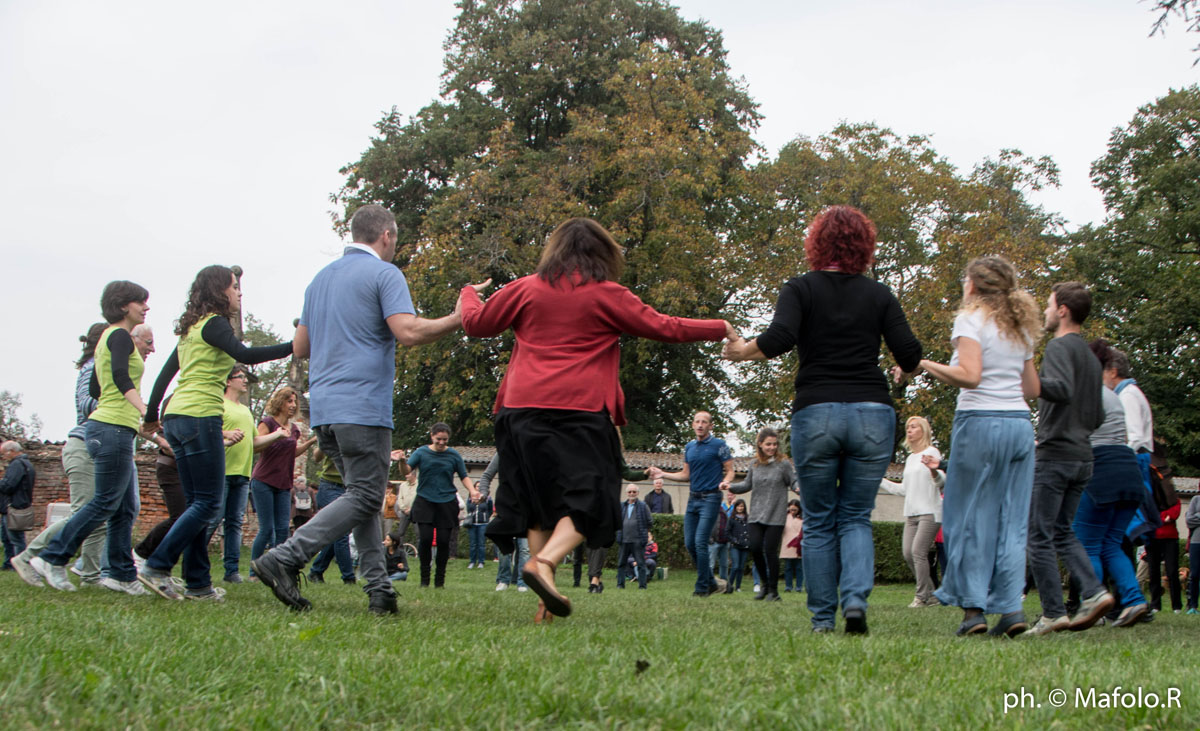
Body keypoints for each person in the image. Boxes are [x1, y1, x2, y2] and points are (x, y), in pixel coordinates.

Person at [459, 217, 729, 623]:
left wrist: (467, 292)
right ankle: (544, 564)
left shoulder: (524, 288)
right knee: (595, 498)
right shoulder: (607, 294)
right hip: (579, 410)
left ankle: (543, 600)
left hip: (519, 410)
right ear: (603, 255)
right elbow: (664, 327)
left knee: (536, 503)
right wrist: (720, 327)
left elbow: (475, 323)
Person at [254, 204, 482, 615]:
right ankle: (285, 557)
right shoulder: (384, 274)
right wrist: (458, 317)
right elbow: (409, 331)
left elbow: (301, 347)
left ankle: (380, 591)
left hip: (323, 410)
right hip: (362, 408)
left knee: (360, 497)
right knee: (364, 495)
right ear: (387, 236)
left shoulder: (319, 280)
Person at [724, 205, 922, 634]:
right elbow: (909, 354)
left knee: (818, 518)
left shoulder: (800, 288)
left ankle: (821, 620)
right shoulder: (881, 294)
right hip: (873, 413)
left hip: (817, 412)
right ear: (864, 246)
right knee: (854, 516)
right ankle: (854, 603)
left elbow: (778, 339)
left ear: (817, 243)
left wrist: (741, 351)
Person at [139, 266, 295, 602]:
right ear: (219, 290)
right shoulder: (214, 323)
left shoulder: (192, 328)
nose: (239, 293)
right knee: (209, 503)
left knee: (198, 503)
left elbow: (166, 374)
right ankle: (156, 564)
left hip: (178, 417)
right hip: (200, 416)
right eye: (234, 287)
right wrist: (293, 346)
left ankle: (198, 584)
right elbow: (246, 355)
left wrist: (153, 416)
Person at [917, 257, 1040, 636]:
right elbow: (1033, 390)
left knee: (967, 518)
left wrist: (922, 363)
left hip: (980, 423)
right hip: (1020, 426)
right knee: (1011, 521)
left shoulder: (971, 319)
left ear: (972, 284)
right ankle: (1012, 610)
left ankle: (973, 612)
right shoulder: (1020, 326)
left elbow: (969, 376)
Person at [32, 281, 152, 594]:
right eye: (141, 302)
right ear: (124, 305)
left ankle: (121, 576)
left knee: (125, 509)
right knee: (105, 502)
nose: (146, 307)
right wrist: (146, 410)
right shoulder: (119, 336)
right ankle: (51, 556)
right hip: (111, 427)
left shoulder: (107, 339)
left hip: (115, 427)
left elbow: (99, 388)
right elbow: (120, 377)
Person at [1024, 282, 1112, 634]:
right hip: (1082, 457)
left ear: (1062, 310)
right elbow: (1100, 415)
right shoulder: (1092, 359)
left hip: (1055, 454)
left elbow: (1059, 389)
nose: (1045, 312)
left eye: (1048, 306)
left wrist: (1034, 382)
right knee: (1062, 531)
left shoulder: (1060, 346)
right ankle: (1093, 592)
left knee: (1039, 535)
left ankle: (1052, 613)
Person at [12, 324, 107, 588]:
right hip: (84, 445)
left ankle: (90, 576)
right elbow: (86, 403)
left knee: (100, 515)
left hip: (99, 447)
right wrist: (118, 400)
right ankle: (29, 556)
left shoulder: (103, 368)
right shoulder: (93, 368)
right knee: (83, 512)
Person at [1068, 339, 1152, 627]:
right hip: (1128, 471)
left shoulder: (1084, 394)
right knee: (1111, 544)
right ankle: (1134, 600)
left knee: (1085, 544)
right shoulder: (1116, 395)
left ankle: (1092, 605)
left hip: (1100, 468)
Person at [651, 411, 735, 599]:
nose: (700, 425)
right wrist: (662, 474)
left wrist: (725, 482)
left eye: (704, 422)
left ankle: (701, 587)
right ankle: (712, 582)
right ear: (692, 425)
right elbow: (685, 475)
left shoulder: (719, 445)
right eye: (697, 421)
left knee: (700, 542)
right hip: (693, 499)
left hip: (711, 498)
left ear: (710, 426)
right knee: (690, 544)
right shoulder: (689, 447)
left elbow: (730, 470)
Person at [725, 427, 798, 601]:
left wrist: (797, 487)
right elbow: (746, 484)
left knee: (770, 551)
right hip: (757, 513)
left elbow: (793, 480)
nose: (772, 447)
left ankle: (774, 590)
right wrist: (730, 487)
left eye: (774, 444)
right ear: (760, 444)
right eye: (768, 444)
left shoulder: (783, 464)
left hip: (775, 514)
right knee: (755, 547)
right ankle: (764, 585)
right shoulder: (754, 464)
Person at [249, 387, 318, 572]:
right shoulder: (268, 423)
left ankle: (277, 568)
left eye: (294, 402)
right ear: (280, 402)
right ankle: (254, 570)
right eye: (289, 401)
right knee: (266, 529)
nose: (293, 405)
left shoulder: (294, 430)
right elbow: (255, 445)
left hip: (284, 484)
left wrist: (309, 443)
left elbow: (292, 452)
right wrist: (276, 435)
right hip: (263, 480)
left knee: (282, 529)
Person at [878, 416, 944, 609]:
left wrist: (933, 472)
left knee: (918, 552)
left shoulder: (932, 452)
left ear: (923, 430)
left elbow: (941, 482)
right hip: (912, 512)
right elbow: (903, 489)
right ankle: (932, 595)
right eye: (908, 427)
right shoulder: (910, 458)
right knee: (908, 553)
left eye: (914, 427)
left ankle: (921, 596)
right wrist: (879, 480)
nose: (909, 430)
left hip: (930, 512)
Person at [212, 364, 269, 583]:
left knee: (235, 523)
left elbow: (254, 442)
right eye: (240, 377)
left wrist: (277, 436)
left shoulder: (246, 410)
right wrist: (225, 432)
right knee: (212, 520)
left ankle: (231, 572)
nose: (245, 381)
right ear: (228, 381)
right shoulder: (219, 405)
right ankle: (193, 565)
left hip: (243, 474)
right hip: (222, 471)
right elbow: (208, 431)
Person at [407, 422, 479, 588]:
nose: (441, 442)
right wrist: (402, 461)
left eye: (445, 440)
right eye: (438, 439)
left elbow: (464, 475)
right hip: (425, 500)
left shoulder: (453, 455)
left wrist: (473, 491)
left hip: (446, 502)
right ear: (432, 436)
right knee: (424, 539)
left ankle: (440, 581)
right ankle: (424, 580)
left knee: (443, 541)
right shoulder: (421, 452)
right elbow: (407, 469)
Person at [306, 448, 366, 585]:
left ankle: (316, 571)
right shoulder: (335, 430)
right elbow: (316, 456)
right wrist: (324, 442)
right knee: (341, 534)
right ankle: (349, 577)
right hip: (330, 487)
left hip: (350, 487)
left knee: (337, 534)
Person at [0, 441, 36, 567]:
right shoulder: (25, 463)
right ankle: (8, 564)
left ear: (12, 451)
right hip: (15, 505)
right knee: (7, 538)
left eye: (3, 454)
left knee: (16, 539)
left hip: (14, 506)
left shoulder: (17, 464)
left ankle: (20, 564)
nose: (3, 457)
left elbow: (9, 486)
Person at [615, 484, 652, 589]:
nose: (632, 493)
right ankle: (620, 584)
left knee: (641, 564)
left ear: (638, 493)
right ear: (626, 493)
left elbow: (649, 522)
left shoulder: (643, 506)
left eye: (634, 492)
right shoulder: (621, 506)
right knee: (621, 564)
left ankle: (642, 585)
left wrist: (643, 534)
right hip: (624, 539)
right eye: (630, 492)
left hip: (638, 541)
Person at [726, 499, 751, 592]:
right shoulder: (732, 519)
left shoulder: (747, 518)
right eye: (739, 506)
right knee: (735, 566)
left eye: (742, 506)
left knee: (741, 567)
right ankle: (730, 585)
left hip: (745, 546)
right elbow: (727, 532)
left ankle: (738, 586)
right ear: (735, 507)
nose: (740, 508)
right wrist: (734, 540)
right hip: (735, 546)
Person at [465, 490, 493, 569]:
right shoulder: (470, 498)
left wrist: (486, 517)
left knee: (481, 544)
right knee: (473, 544)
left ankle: (481, 562)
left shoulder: (487, 498)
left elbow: (490, 510)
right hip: (472, 524)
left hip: (483, 524)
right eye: (476, 486)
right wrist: (473, 502)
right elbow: (469, 509)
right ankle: (472, 561)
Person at [781, 500, 803, 593]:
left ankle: (799, 587)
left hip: (799, 545)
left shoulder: (803, 517)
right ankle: (788, 586)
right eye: (791, 508)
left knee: (799, 568)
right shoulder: (785, 516)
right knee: (788, 567)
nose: (793, 510)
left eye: (795, 508)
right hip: (787, 544)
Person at [1186, 495, 1200, 615]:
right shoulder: (1196, 499)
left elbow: (1193, 519)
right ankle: (1193, 605)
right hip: (1196, 542)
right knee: (1194, 574)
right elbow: (1189, 520)